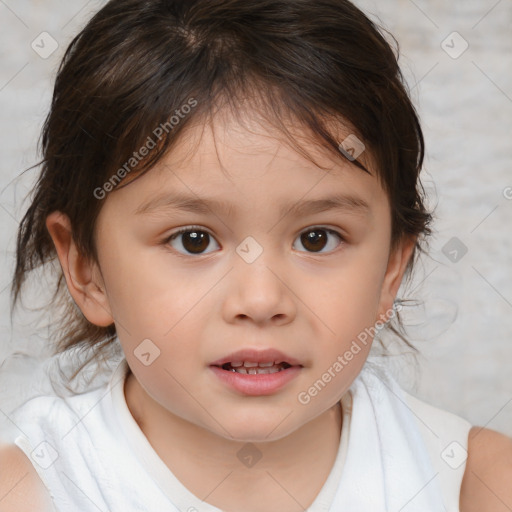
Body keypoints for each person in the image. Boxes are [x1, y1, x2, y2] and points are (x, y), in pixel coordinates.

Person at [1, 0, 511, 510]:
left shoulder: (474, 485)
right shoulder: (31, 490)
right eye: (193, 240)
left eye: (317, 238)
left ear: (389, 271)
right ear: (86, 269)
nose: (262, 299)